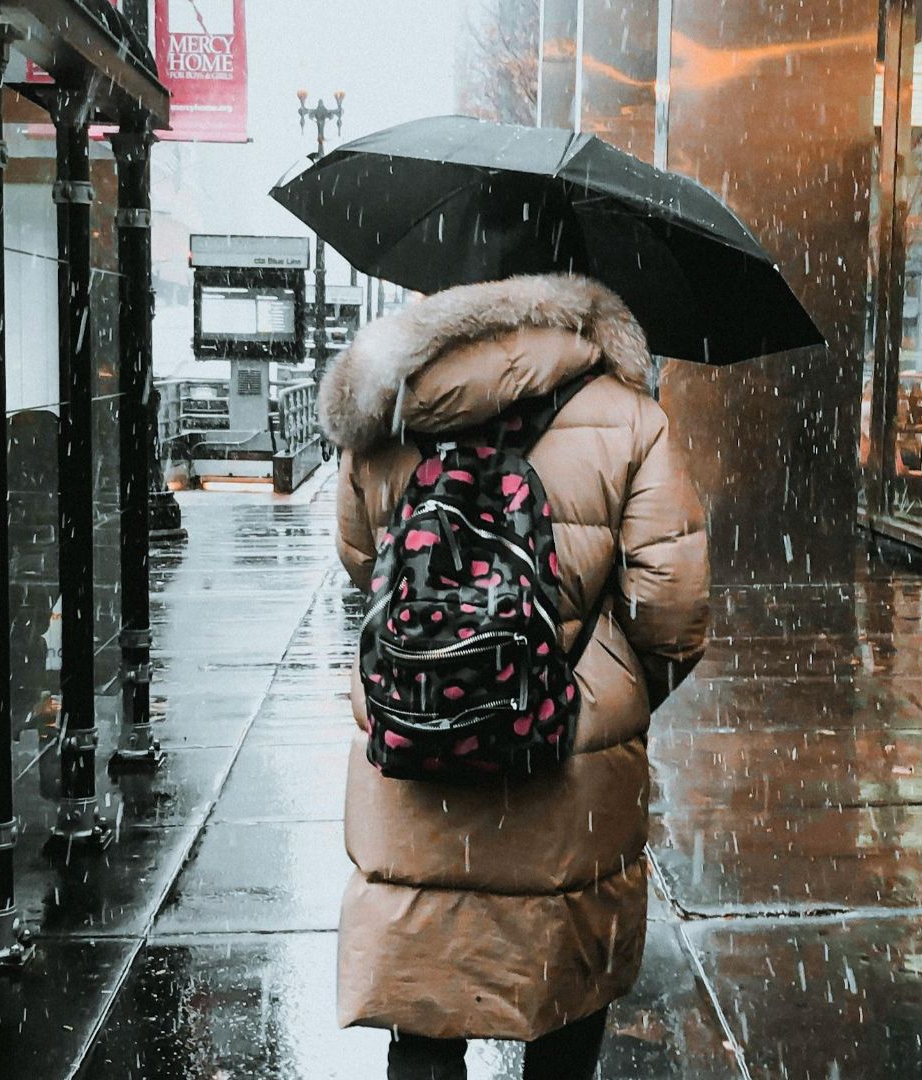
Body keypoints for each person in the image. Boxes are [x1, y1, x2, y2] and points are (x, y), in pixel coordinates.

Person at [322, 273, 711, 1079]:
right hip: (567, 767)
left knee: (423, 1002)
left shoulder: (387, 408)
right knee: (562, 1001)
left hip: (414, 742)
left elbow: (362, 565)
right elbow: (672, 612)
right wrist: (603, 684)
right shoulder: (630, 417)